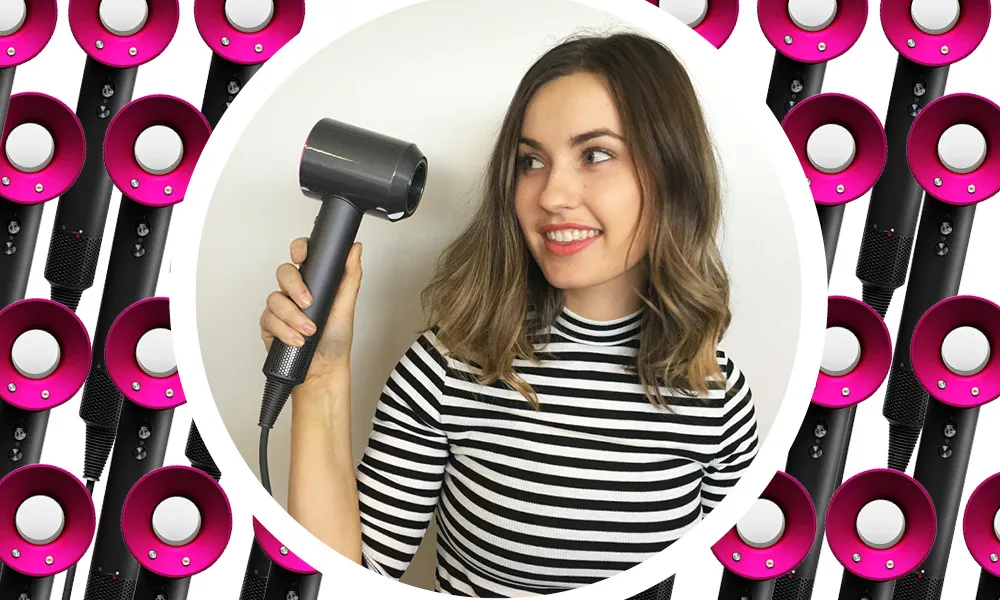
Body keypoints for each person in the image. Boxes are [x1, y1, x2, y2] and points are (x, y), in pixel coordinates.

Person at [259, 31, 759, 598]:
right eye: (530, 162)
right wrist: (320, 377)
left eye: (596, 154)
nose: (551, 196)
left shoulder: (718, 398)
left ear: (673, 173)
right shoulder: (447, 369)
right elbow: (342, 582)